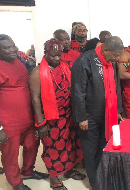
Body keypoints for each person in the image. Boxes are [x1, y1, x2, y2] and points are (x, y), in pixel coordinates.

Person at [29, 39, 85, 190]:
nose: (56, 59)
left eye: (59, 55)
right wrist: (40, 124)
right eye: (53, 56)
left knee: (70, 144)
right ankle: (54, 177)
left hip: (67, 114)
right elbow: (35, 99)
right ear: (45, 53)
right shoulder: (37, 73)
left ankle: (68, 170)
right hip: (49, 118)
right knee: (52, 148)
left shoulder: (65, 67)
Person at [71, 36, 124, 189]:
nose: (118, 58)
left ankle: (104, 175)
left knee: (104, 146)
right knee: (91, 149)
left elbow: (117, 86)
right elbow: (78, 91)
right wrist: (81, 117)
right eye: (116, 55)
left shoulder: (111, 62)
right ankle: (95, 182)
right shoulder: (84, 61)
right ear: (105, 49)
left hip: (108, 114)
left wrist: (118, 109)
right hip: (89, 116)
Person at [0, 34, 48, 190]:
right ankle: (15, 183)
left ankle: (28, 171)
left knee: (32, 145)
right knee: (10, 155)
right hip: (8, 122)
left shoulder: (19, 62)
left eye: (13, 45)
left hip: (27, 117)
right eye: (7, 48)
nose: (13, 49)